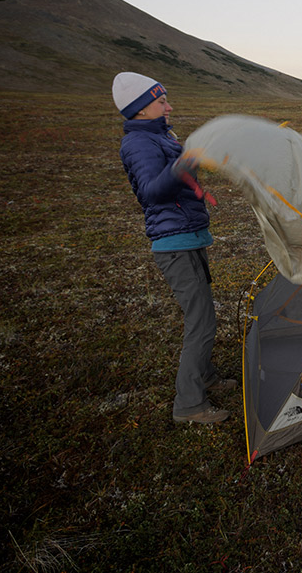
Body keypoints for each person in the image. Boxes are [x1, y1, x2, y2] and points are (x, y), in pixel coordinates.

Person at [113, 72, 235, 424]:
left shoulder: (161, 137)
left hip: (187, 236)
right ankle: (189, 405)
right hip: (174, 244)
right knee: (201, 321)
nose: (169, 106)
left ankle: (206, 375)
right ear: (141, 110)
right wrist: (183, 162)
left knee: (204, 314)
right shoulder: (138, 145)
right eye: (161, 100)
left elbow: (177, 177)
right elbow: (152, 192)